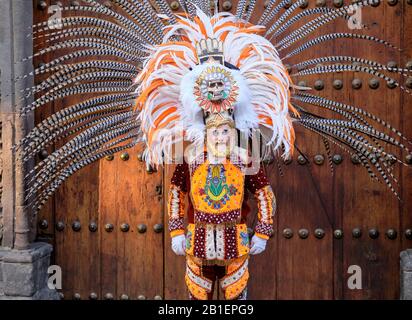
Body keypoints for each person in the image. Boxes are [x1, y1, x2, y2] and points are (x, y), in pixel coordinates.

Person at [167, 110, 276, 300]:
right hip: (198, 246)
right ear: (206, 133)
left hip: (235, 246)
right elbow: (176, 192)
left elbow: (264, 194)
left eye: (225, 131)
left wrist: (262, 233)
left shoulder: (244, 159)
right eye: (215, 132)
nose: (221, 138)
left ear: (233, 132)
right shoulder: (190, 158)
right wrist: (176, 231)